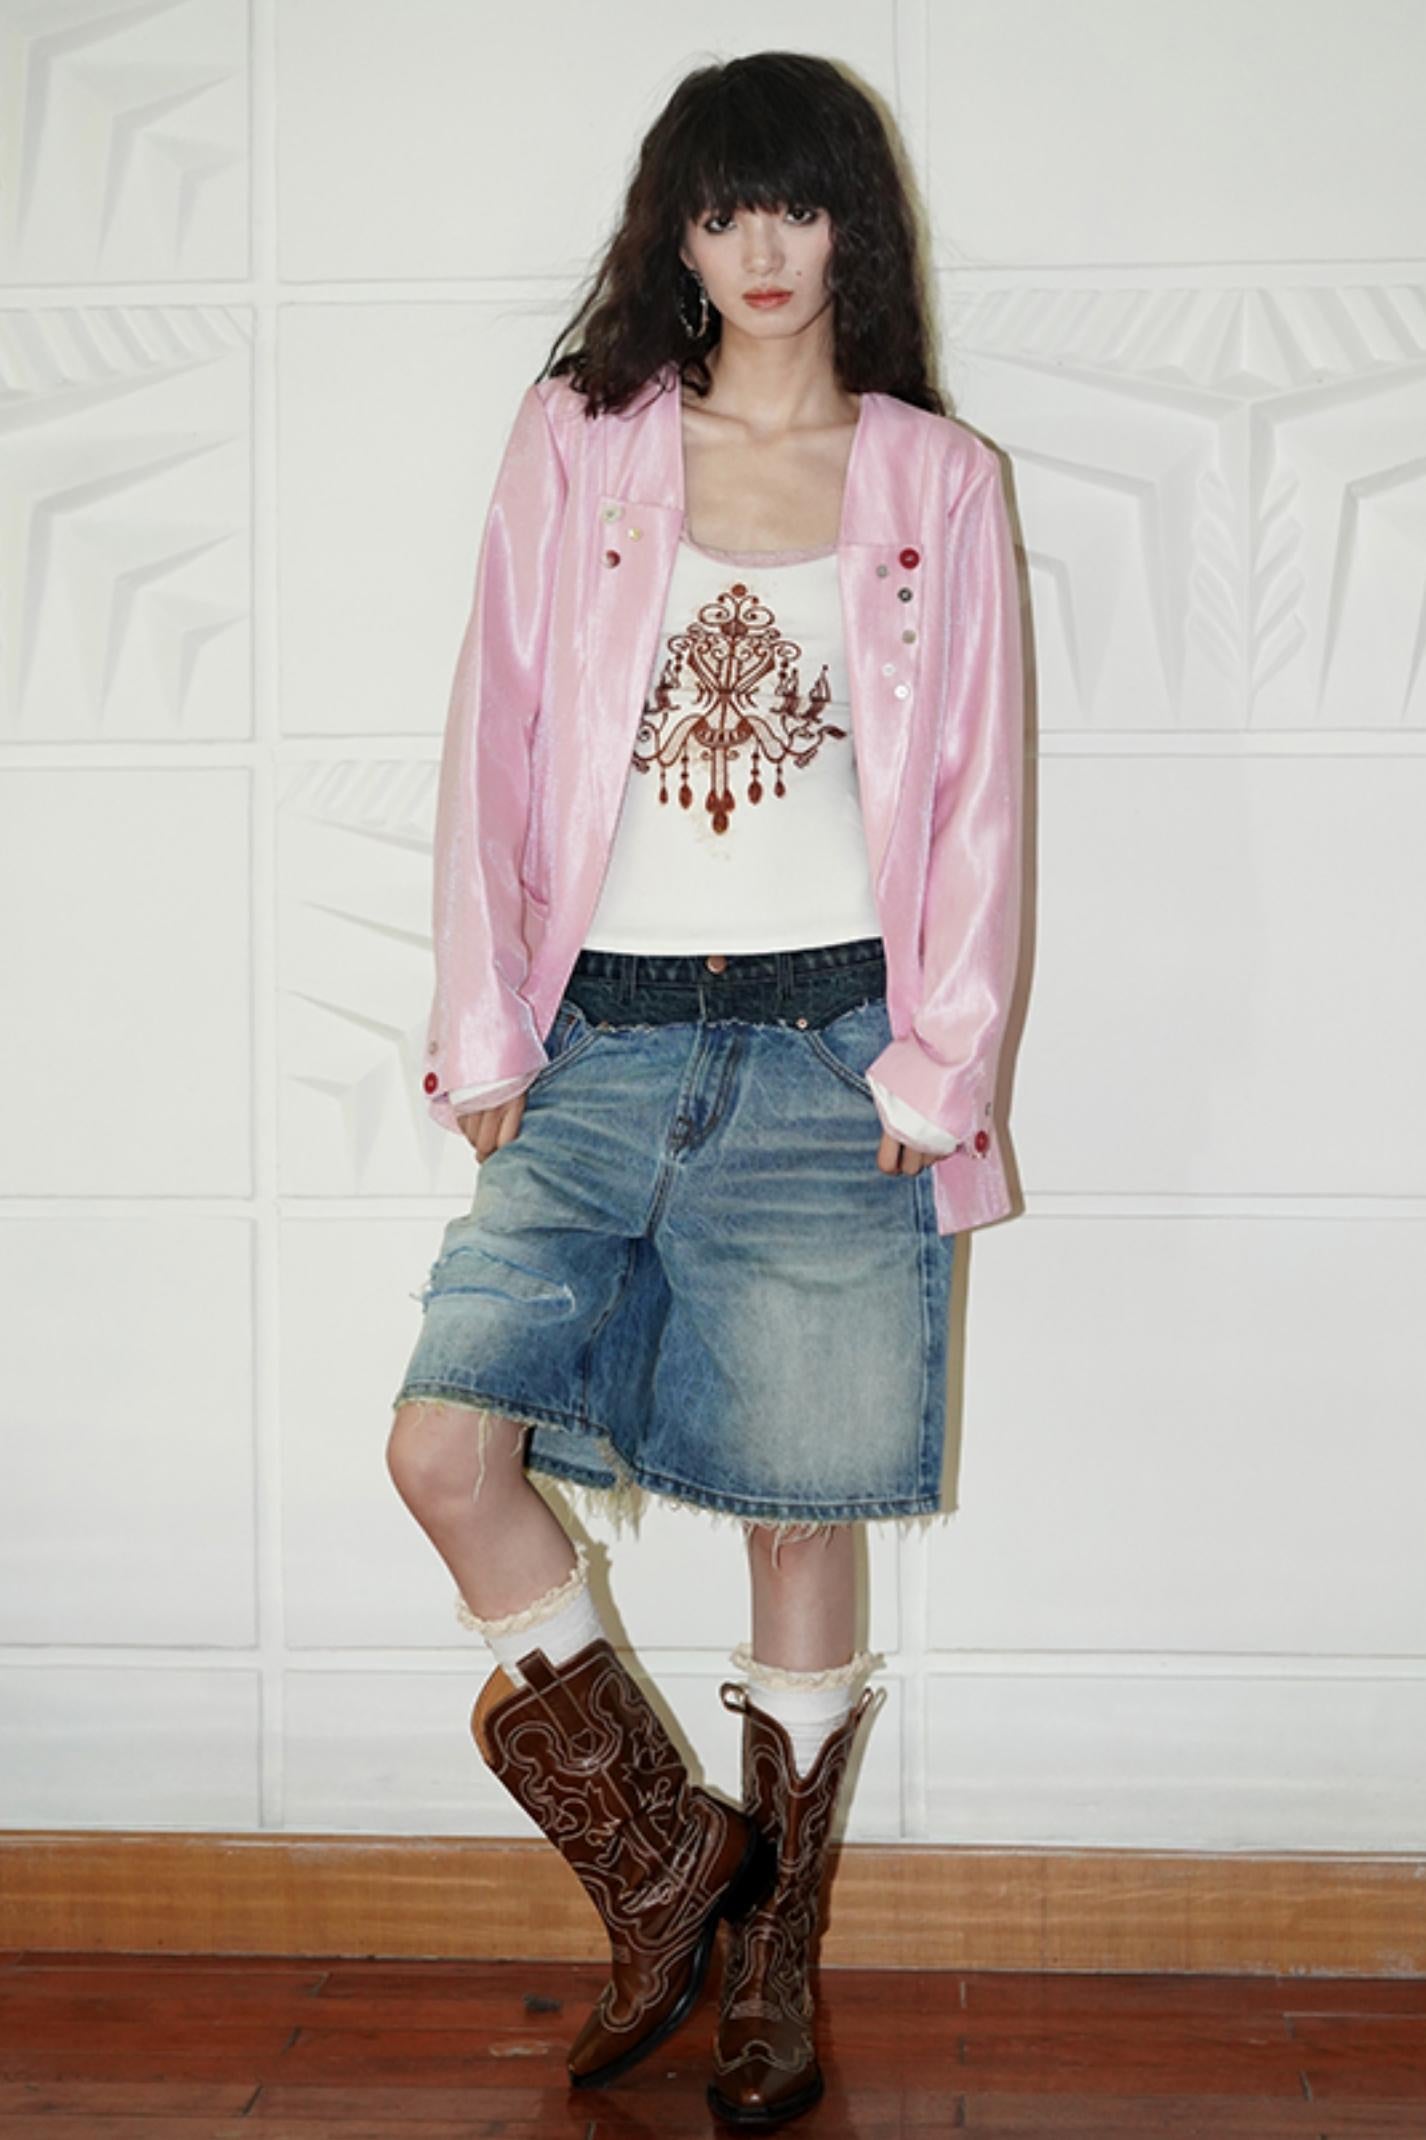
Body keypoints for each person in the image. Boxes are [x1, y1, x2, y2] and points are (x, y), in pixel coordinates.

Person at [385, 48, 1025, 2132]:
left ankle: (769, 1971)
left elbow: (977, 792)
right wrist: (486, 1033)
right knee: (444, 1445)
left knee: (796, 1512)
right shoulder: (581, 443)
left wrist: (938, 1066)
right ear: (674, 228)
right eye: (724, 205)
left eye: (798, 204)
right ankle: (670, 1863)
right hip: (604, 1037)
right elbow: (491, 732)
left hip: (835, 1050)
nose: (762, 247)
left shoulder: (933, 478)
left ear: (851, 229)